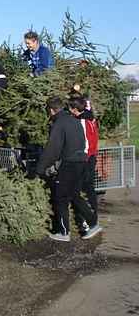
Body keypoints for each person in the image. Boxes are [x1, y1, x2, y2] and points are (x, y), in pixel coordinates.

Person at [36, 97, 102, 241]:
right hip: (81, 162)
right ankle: (93, 223)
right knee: (74, 194)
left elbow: (52, 149)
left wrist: (40, 169)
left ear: (52, 110)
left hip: (69, 163)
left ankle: (63, 232)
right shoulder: (74, 120)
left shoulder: (59, 123)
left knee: (60, 196)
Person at [68, 96, 100, 235]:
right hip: (91, 157)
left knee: (78, 190)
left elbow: (85, 142)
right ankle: (91, 217)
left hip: (85, 159)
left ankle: (89, 221)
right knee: (89, 188)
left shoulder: (82, 122)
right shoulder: (91, 118)